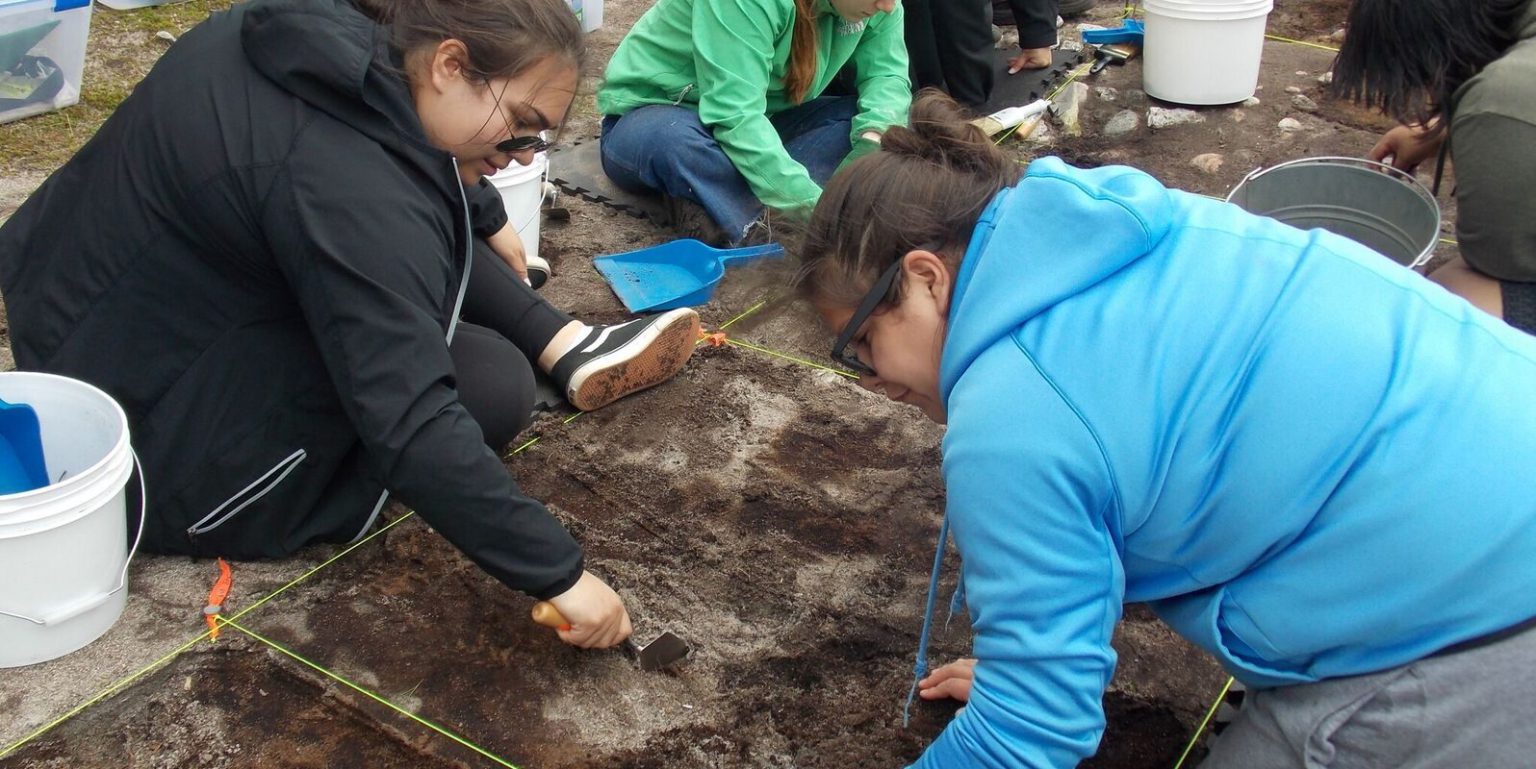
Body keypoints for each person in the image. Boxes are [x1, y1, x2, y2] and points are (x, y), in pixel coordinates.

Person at [794, 92, 1536, 767]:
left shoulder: (1011, 417)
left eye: (860, 345)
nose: (870, 381)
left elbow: (1027, 733)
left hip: (1474, 620)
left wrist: (1025, 696)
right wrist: (1039, 656)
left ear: (926, 278)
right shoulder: (1114, 224)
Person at [0, 0, 708, 649]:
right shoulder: (348, 182)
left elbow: (400, 151)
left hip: (84, 314)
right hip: (149, 445)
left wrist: (481, 208)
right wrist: (559, 573)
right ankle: (558, 348)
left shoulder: (315, 35)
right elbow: (410, 418)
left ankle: (561, 343)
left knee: (468, 333)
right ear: (450, 63)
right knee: (488, 389)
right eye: (521, 123)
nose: (526, 153)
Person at [595, 0, 911, 246]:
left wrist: (872, 141)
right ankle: (764, 218)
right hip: (660, 114)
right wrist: (818, 213)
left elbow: (887, 77)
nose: (887, 6)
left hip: (764, 121)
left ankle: (725, 204)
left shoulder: (880, 6)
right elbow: (735, 116)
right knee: (675, 141)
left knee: (882, 126)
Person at [1332, 0, 1536, 335]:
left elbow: (1501, 262)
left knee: (1448, 300)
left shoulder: (1500, 99)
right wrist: (1444, 128)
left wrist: (1482, 117)